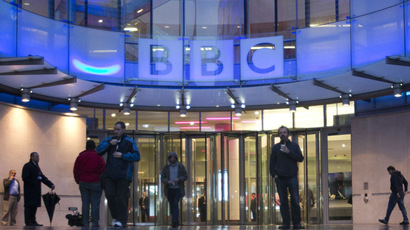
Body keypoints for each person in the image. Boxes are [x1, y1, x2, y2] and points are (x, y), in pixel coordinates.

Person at [97, 121, 140, 227]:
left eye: (118, 129)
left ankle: (121, 220)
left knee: (121, 198)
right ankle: (115, 217)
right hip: (110, 174)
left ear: (124, 130)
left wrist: (123, 155)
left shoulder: (130, 141)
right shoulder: (109, 140)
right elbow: (98, 151)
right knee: (110, 195)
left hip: (123, 175)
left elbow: (137, 156)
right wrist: (109, 144)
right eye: (115, 129)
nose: (116, 131)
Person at [270, 126, 305, 229]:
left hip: (292, 177)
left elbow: (300, 158)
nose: (282, 134)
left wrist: (289, 152)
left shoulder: (294, 146)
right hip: (280, 178)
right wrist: (274, 175)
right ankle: (286, 223)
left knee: (295, 200)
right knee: (283, 201)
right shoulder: (276, 147)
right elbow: (272, 162)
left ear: (288, 134)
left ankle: (296, 223)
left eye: (284, 132)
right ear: (279, 135)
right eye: (280, 133)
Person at [73, 140, 106, 227]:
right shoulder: (98, 156)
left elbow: (75, 170)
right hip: (96, 182)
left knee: (85, 202)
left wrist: (78, 180)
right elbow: (103, 168)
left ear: (86, 146)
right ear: (94, 147)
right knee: (95, 203)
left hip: (83, 182)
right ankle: (95, 222)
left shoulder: (80, 156)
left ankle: (85, 222)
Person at [22, 152, 55, 227]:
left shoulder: (37, 166)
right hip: (30, 190)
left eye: (38, 157)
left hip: (36, 190)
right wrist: (35, 180)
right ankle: (28, 221)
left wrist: (50, 184)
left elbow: (42, 177)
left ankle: (33, 220)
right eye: (37, 157)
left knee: (34, 206)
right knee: (29, 206)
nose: (38, 158)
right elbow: (25, 178)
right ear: (32, 157)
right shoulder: (27, 166)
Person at [161, 152, 188, 228]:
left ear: (176, 158)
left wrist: (179, 179)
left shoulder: (180, 166)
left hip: (177, 189)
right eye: (171, 157)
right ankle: (174, 219)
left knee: (175, 204)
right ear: (169, 158)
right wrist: (167, 181)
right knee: (172, 205)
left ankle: (175, 221)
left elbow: (185, 176)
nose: (172, 159)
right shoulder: (166, 167)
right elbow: (162, 178)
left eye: (174, 157)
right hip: (169, 189)